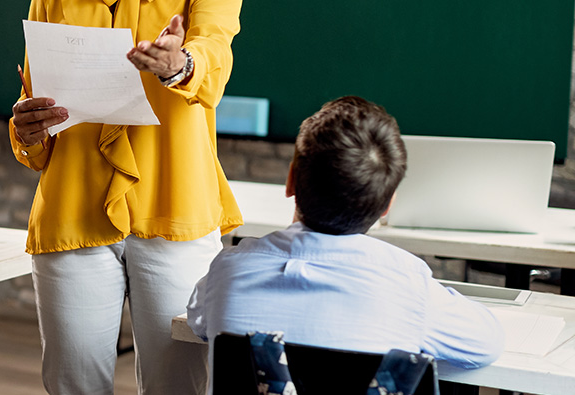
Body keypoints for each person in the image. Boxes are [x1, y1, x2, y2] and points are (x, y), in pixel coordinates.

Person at [8, 0, 243, 392]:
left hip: (174, 209)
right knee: (75, 385)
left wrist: (180, 65)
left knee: (180, 387)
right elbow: (37, 124)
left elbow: (212, 59)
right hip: (73, 208)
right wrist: (26, 126)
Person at [186, 96, 505, 371]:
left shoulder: (228, 271)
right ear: (387, 205)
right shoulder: (408, 287)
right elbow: (487, 343)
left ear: (291, 180)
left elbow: (198, 320)